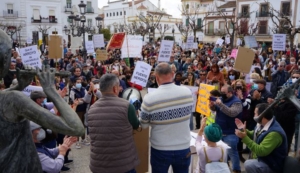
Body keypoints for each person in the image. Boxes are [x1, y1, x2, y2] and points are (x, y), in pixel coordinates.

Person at [140, 62, 194, 173]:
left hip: (160, 148)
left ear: (156, 77)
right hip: (183, 147)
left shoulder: (149, 98)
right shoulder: (187, 92)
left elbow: (144, 125)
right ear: (173, 74)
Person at [88, 74, 140, 173]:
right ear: (115, 89)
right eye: (119, 86)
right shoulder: (127, 106)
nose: (121, 88)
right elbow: (136, 125)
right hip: (124, 165)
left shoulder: (92, 109)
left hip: (99, 165)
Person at [235, 103, 288, 173]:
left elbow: (261, 151)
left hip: (271, 164)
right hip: (262, 159)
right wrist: (244, 131)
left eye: (255, 114)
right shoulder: (263, 123)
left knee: (249, 164)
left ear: (262, 116)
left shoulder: (274, 134)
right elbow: (255, 134)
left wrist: (244, 138)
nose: (254, 115)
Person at [209, 85, 242, 173]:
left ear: (230, 93)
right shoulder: (221, 99)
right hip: (220, 131)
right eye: (221, 92)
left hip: (230, 132)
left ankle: (236, 169)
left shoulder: (237, 102)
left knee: (232, 153)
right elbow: (216, 109)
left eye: (224, 92)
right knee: (222, 153)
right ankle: (224, 168)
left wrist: (220, 104)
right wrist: (212, 106)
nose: (221, 94)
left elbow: (232, 113)